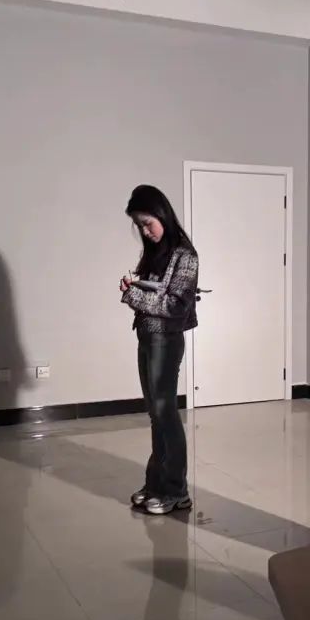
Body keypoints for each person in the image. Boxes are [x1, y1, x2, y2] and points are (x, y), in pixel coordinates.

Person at [120, 185, 199, 516]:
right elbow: (157, 297)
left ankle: (176, 491)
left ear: (162, 215)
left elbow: (176, 305)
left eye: (147, 223)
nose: (144, 231)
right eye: (138, 225)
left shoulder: (185, 255)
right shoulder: (156, 253)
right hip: (147, 337)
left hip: (166, 341)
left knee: (165, 414)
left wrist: (134, 295)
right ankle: (156, 484)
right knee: (156, 415)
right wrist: (136, 286)